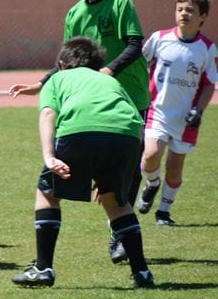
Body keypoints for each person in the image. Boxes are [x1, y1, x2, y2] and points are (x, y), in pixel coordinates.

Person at [9, 0, 149, 265]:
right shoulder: (74, 13)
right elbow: (67, 61)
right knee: (106, 175)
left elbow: (134, 45)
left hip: (130, 98)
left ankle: (118, 235)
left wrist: (107, 72)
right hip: (90, 103)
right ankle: (123, 235)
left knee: (127, 174)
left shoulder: (120, 1)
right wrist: (41, 84)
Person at [11, 37, 154, 288]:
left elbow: (48, 113)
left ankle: (43, 269)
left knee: (48, 192)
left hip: (81, 130)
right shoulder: (109, 80)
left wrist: (49, 157)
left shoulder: (57, 79)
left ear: (62, 64)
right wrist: (107, 170)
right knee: (116, 202)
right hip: (129, 136)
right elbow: (126, 117)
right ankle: (142, 273)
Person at [136, 0, 217, 225]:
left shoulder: (207, 48)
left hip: (185, 118)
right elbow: (138, 64)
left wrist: (198, 111)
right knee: (150, 155)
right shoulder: (159, 39)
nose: (183, 14)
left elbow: (209, 84)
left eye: (190, 10)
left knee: (174, 167)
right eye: (180, 9)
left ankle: (164, 212)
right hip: (157, 111)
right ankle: (152, 183)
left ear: (203, 16)